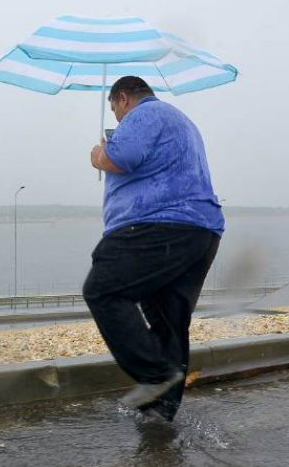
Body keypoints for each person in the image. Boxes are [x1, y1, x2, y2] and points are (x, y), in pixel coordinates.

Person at [84, 75, 224, 422]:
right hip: (200, 231)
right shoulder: (181, 122)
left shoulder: (145, 114)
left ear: (122, 98)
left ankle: (155, 375)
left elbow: (124, 156)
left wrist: (99, 154)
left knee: (103, 289)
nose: (117, 117)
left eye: (115, 108)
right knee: (168, 321)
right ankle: (161, 411)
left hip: (157, 224)